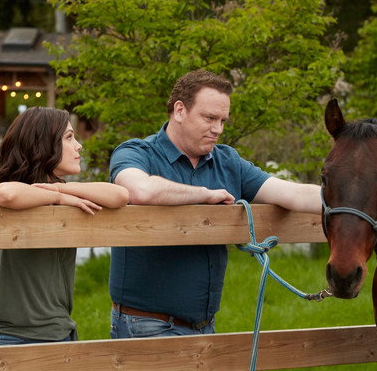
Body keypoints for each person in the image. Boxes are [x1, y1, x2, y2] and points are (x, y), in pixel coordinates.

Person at [109, 69, 320, 338]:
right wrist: (205, 195)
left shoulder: (227, 161)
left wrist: (358, 203)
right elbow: (139, 190)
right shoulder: (136, 152)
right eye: (209, 118)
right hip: (147, 324)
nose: (218, 129)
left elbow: (294, 194)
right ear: (180, 110)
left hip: (205, 325)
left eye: (222, 121)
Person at [0, 107, 129, 346]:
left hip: (60, 333)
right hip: (10, 337)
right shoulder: (0, 188)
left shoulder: (63, 190)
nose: (79, 146)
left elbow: (120, 195)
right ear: (42, 144)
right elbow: (8, 195)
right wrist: (58, 197)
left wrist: (60, 189)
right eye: (69, 137)